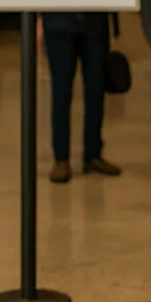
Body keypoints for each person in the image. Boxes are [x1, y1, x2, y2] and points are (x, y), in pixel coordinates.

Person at [42, 12, 119, 182]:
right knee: (61, 91)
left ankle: (93, 154)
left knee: (96, 89)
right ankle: (61, 158)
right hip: (59, 21)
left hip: (95, 20)